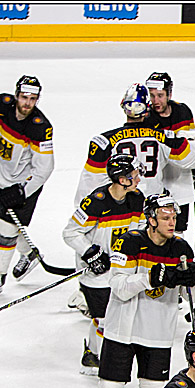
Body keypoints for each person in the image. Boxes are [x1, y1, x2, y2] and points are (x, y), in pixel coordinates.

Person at [80, 192, 195, 388]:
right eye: (165, 217)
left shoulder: (181, 249)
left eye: (174, 217)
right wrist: (151, 277)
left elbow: (191, 300)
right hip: (122, 331)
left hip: (158, 333)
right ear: (151, 219)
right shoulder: (129, 242)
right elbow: (119, 286)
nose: (171, 222)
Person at [0, 75, 54, 296]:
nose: (27, 103)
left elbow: (44, 169)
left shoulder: (40, 127)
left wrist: (21, 192)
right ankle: (29, 254)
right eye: (24, 97)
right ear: (16, 95)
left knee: (7, 229)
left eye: (33, 99)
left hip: (22, 184)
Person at [62, 153, 145, 375]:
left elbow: (141, 229)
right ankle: (100, 361)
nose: (138, 179)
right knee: (105, 319)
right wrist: (90, 253)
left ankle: (92, 353)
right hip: (96, 274)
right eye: (134, 175)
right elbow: (70, 233)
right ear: (121, 179)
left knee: (113, 319)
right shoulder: (95, 202)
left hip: (122, 271)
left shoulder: (137, 199)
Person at [74, 83, 195, 208]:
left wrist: (84, 213)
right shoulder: (165, 136)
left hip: (122, 208)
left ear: (124, 106)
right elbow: (188, 157)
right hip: (153, 206)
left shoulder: (104, 141)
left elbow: (90, 182)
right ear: (147, 109)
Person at [141, 71, 195, 234]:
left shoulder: (182, 112)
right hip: (155, 182)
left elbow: (188, 144)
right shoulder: (145, 117)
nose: (155, 101)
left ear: (169, 94)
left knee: (177, 230)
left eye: (160, 95)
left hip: (181, 182)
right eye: (152, 96)